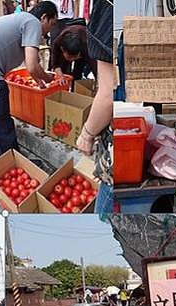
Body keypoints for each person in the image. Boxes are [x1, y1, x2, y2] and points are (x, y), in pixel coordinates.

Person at [0, 1, 58, 155]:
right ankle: (11, 161)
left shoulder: (21, 19)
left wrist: (39, 81)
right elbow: (32, 66)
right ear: (44, 18)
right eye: (52, 24)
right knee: (0, 120)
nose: (49, 31)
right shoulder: (33, 23)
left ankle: (3, 157)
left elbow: (31, 63)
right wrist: (48, 78)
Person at [75, 0, 113, 214]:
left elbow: (107, 94)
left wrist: (87, 133)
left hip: (117, 148)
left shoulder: (105, 9)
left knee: (105, 215)